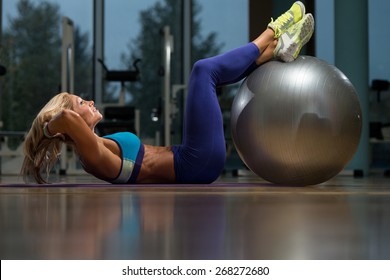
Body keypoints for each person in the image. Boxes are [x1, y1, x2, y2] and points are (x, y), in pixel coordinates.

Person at [21, 2, 314, 184]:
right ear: (69, 121)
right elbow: (67, 121)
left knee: (212, 78)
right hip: (195, 163)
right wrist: (49, 127)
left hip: (192, 159)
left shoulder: (97, 146)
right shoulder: (92, 155)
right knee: (203, 71)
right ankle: (274, 31)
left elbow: (69, 121)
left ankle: (272, 51)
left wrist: (54, 127)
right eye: (82, 102)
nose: (91, 101)